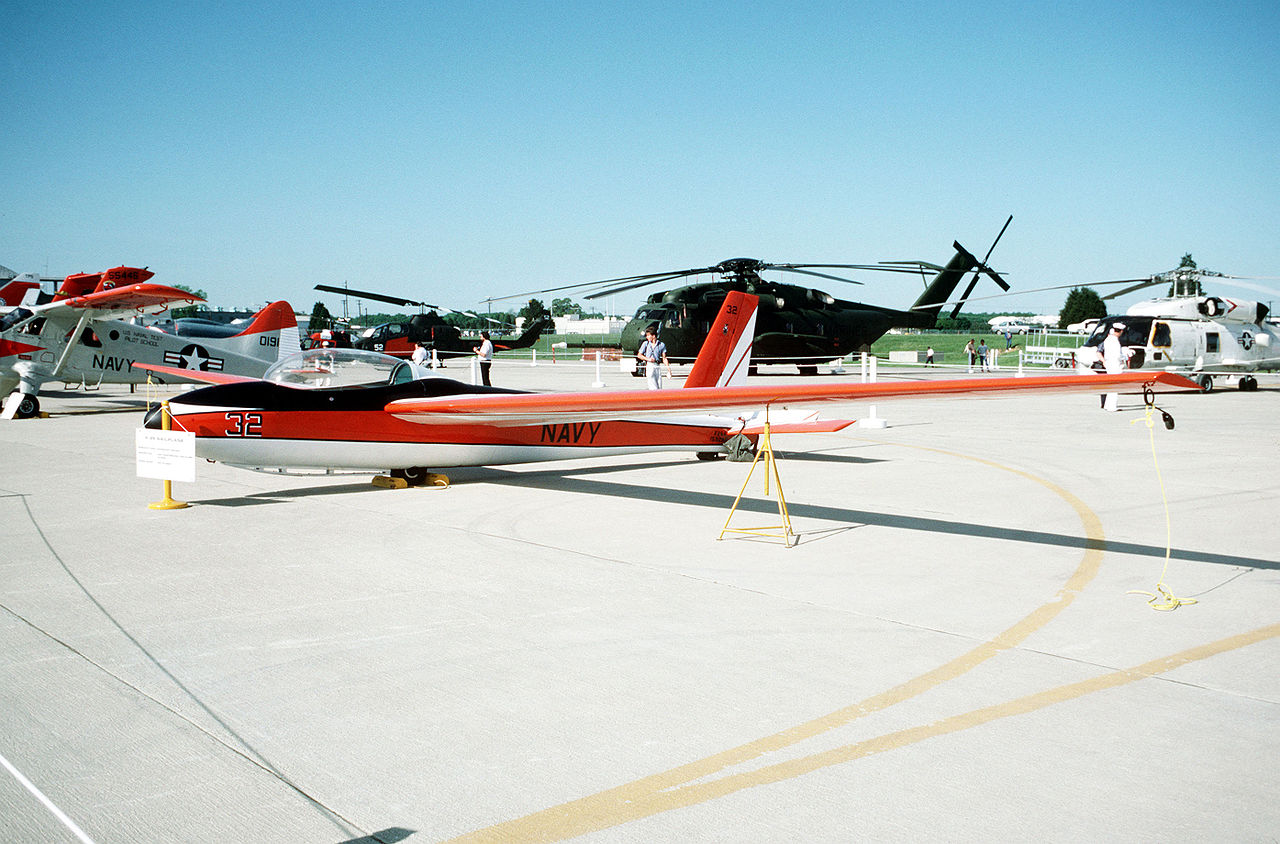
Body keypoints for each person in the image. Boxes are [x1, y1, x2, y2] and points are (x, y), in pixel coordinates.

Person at [1100, 322, 1128, 411]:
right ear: (1121, 331)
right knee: (1115, 386)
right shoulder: (1115, 341)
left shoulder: (1108, 339)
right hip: (1115, 365)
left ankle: (1107, 405)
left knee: (1110, 385)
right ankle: (1112, 406)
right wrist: (1126, 356)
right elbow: (1118, 356)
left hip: (1108, 363)